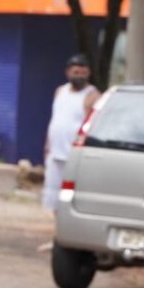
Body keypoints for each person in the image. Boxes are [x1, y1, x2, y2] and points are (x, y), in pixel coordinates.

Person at [43, 55, 100, 213]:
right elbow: (55, 120)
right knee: (52, 194)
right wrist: (47, 145)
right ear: (68, 72)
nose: (79, 76)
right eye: (76, 72)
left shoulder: (92, 95)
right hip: (55, 151)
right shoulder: (60, 91)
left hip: (74, 154)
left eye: (83, 73)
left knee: (70, 195)